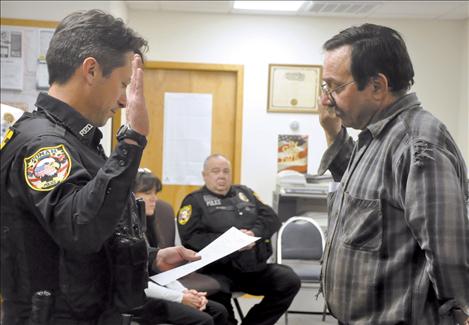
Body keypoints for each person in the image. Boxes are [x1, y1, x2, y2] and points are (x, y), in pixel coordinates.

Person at [0, 9, 201, 325]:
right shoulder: (42, 145)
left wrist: (149, 259)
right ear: (91, 70)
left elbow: (95, 237)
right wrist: (133, 139)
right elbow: (81, 229)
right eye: (123, 84)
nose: (124, 100)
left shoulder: (76, 141)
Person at [317, 23, 469, 324]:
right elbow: (364, 192)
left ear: (377, 86)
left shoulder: (418, 144)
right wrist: (333, 131)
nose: (326, 99)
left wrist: (459, 311)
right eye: (325, 87)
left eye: (334, 87)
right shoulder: (375, 135)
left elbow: (448, 251)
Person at [177, 154, 301, 325]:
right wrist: (231, 243)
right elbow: (190, 238)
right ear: (204, 175)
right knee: (223, 314)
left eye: (226, 171)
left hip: (252, 268)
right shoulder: (194, 201)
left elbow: (271, 218)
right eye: (215, 171)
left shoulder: (245, 193)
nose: (222, 175)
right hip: (217, 270)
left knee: (288, 280)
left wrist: (252, 234)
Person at [133, 168, 228, 325]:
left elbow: (159, 274)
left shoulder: (148, 227)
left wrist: (185, 292)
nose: (154, 199)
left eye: (155, 193)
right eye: (147, 193)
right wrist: (181, 298)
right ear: (130, 196)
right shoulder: (121, 232)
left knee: (218, 311)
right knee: (203, 320)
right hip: (134, 298)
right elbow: (136, 283)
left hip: (153, 290)